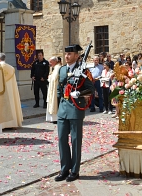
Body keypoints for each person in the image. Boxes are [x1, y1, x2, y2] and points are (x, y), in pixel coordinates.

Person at [55, 44, 94, 183]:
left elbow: (91, 89)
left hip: (76, 109)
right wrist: (59, 104)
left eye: (70, 54)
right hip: (63, 110)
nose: (67, 56)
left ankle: (75, 170)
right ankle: (64, 168)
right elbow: (60, 89)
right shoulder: (62, 69)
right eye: (66, 54)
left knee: (76, 141)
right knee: (61, 139)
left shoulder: (83, 70)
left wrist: (80, 93)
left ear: (77, 56)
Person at [0, 53, 23, 129]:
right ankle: (12, 123)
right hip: (10, 91)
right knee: (11, 105)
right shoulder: (11, 68)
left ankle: (2, 125)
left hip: (1, 91)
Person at [46, 56, 61, 123]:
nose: (50, 63)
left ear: (55, 61)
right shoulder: (55, 68)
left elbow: (54, 79)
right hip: (52, 88)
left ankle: (55, 119)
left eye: (51, 62)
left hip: (55, 89)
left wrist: (50, 77)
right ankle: (53, 119)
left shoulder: (58, 68)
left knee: (55, 103)